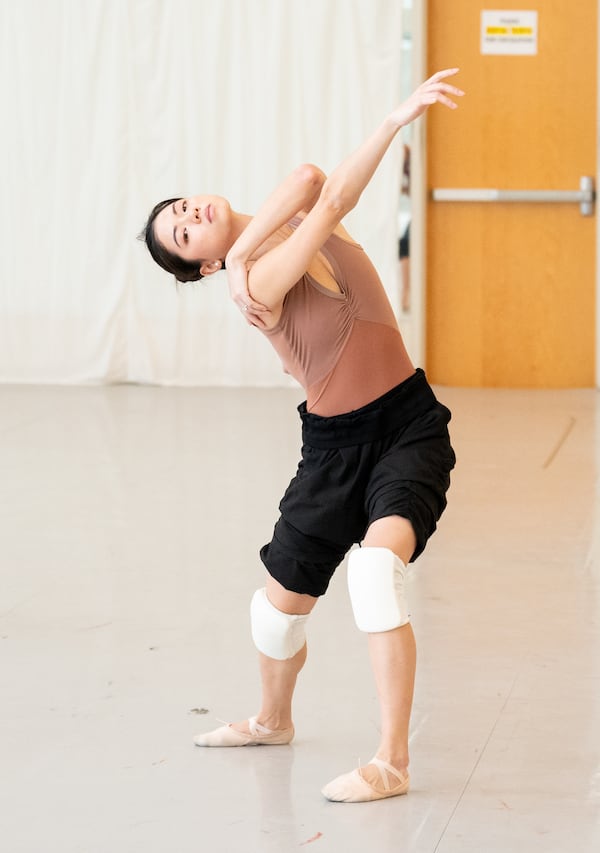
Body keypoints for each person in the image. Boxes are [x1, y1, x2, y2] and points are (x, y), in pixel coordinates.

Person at [140, 69, 463, 803]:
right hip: (332, 449)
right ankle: (271, 718)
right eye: (182, 231)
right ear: (204, 264)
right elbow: (331, 195)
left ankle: (392, 761)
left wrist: (393, 119)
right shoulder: (256, 284)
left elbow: (312, 177)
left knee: (376, 575)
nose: (190, 212)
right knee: (274, 611)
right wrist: (241, 266)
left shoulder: (258, 249)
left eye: (182, 207)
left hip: (409, 426)